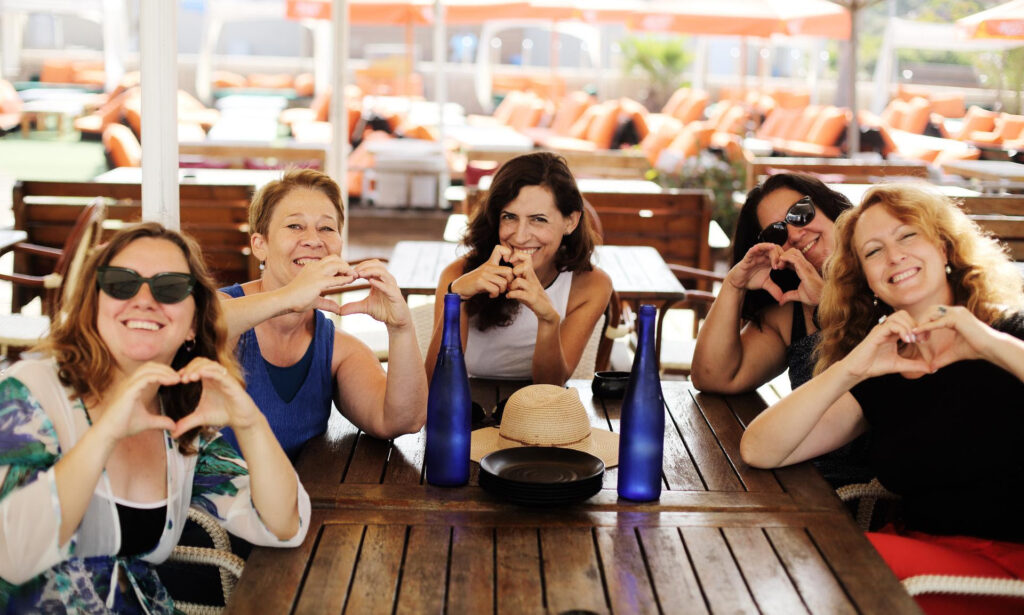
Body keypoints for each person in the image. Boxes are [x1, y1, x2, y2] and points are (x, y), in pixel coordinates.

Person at [740, 184, 1024, 615]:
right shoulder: (885, 366)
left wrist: (985, 342)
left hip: (1004, 568)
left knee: (825, 569)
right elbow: (760, 449)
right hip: (918, 563)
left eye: (908, 236)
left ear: (945, 248)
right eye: (873, 251)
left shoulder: (1009, 332)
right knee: (783, 562)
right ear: (866, 280)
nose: (894, 257)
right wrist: (853, 367)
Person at [0, 223, 309, 613]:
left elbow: (283, 524)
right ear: (92, 304)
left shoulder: (178, 419)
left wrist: (250, 423)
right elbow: (11, 555)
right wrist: (107, 432)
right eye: (120, 282)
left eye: (169, 288)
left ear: (193, 324)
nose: (144, 299)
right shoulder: (30, 394)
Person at [219, 168, 426, 461]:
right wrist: (289, 298)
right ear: (260, 245)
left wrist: (401, 327)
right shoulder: (222, 308)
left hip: (299, 505)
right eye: (294, 226)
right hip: (204, 506)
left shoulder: (336, 348)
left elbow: (401, 420)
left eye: (327, 228)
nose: (313, 240)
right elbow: (192, 326)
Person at [426, 152, 612, 385]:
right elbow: (435, 383)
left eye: (538, 219)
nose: (521, 236)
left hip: (539, 411)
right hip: (467, 405)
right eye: (510, 217)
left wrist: (548, 319)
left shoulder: (591, 285)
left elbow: (550, 387)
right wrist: (457, 300)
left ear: (570, 222)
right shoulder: (459, 275)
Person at [691, 173, 853, 393]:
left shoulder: (886, 273)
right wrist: (734, 285)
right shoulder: (789, 316)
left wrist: (826, 301)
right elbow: (713, 377)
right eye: (776, 233)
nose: (795, 235)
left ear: (827, 205)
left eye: (800, 212)